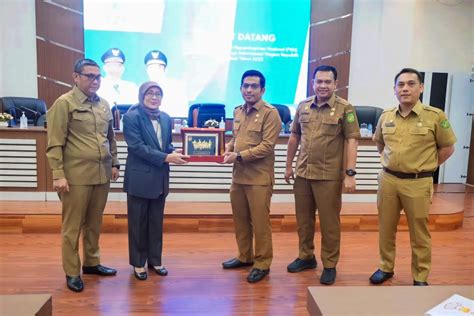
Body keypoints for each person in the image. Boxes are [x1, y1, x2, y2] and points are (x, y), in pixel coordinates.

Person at [369, 68, 457, 286]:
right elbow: (380, 143)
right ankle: (385, 267)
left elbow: (447, 148)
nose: (405, 89)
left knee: (419, 233)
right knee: (385, 228)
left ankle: (420, 276)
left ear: (421, 88)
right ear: (394, 89)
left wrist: (426, 166)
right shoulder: (386, 115)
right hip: (388, 180)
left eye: (410, 84)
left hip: (418, 182)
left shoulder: (435, 116)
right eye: (400, 85)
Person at [46, 58, 120, 292]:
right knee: (72, 227)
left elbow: (111, 139)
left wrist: (115, 164)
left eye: (98, 76)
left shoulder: (104, 104)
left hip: (101, 174)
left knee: (94, 223)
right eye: (89, 76)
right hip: (75, 177)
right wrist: (58, 174)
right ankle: (71, 271)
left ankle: (91, 262)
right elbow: (54, 143)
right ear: (75, 77)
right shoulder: (64, 104)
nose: (94, 80)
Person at [284, 65, 360, 285]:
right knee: (304, 221)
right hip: (303, 174)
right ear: (313, 83)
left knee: (329, 224)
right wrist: (288, 166)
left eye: (328, 82)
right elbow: (294, 137)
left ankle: (329, 264)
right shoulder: (303, 106)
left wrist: (350, 173)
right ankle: (306, 256)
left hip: (329, 176)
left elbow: (352, 140)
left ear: (336, 84)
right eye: (319, 81)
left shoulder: (345, 108)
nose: (323, 86)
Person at [123, 81, 189, 280]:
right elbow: (137, 147)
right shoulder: (131, 117)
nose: (154, 97)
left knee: (156, 222)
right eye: (150, 93)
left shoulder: (166, 118)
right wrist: (165, 157)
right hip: (139, 179)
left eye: (158, 94)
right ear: (142, 95)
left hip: (160, 179)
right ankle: (138, 263)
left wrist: (173, 151)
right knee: (138, 223)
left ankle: (155, 260)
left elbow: (165, 144)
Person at [222, 70, 282, 283]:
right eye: (245, 86)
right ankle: (244, 256)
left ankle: (262, 263)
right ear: (240, 88)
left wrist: (238, 156)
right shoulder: (238, 111)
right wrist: (228, 147)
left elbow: (267, 146)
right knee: (240, 221)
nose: (249, 90)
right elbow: (235, 137)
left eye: (254, 86)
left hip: (259, 178)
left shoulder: (270, 113)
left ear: (262, 90)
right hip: (238, 177)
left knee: (260, 222)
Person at [144, 49, 188, 117]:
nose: (154, 71)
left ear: (165, 70)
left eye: (159, 67)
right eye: (151, 67)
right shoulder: (141, 89)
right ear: (147, 70)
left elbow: (181, 114)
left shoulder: (176, 87)